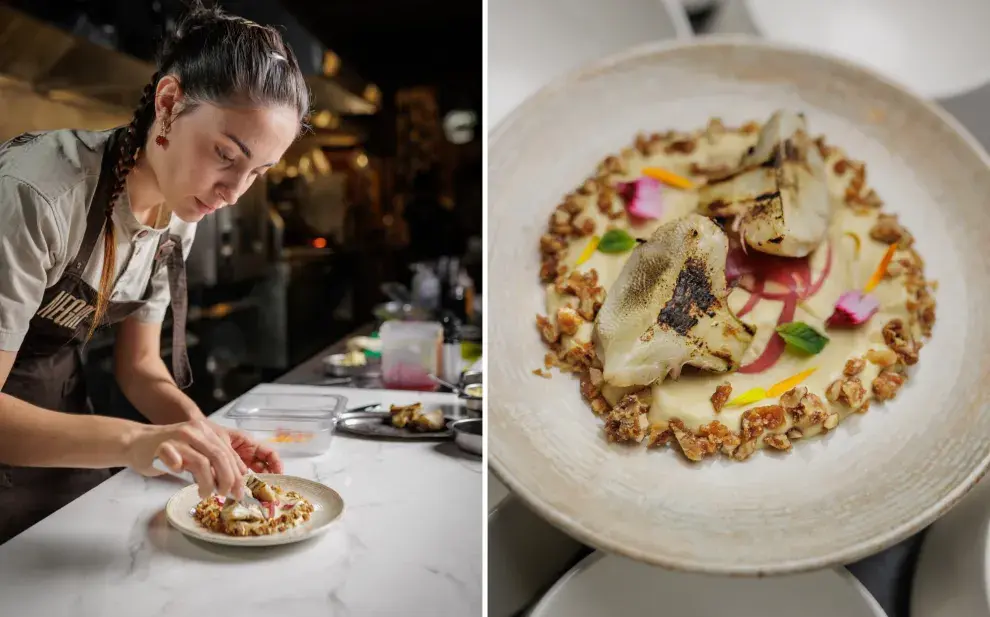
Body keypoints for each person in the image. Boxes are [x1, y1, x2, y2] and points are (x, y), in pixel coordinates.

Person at [0, 5, 309, 543]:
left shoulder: (176, 215)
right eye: (224, 154)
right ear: (168, 103)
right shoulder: (38, 194)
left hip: (64, 434)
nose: (233, 193)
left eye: (256, 173)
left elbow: (140, 365)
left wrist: (202, 434)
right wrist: (131, 443)